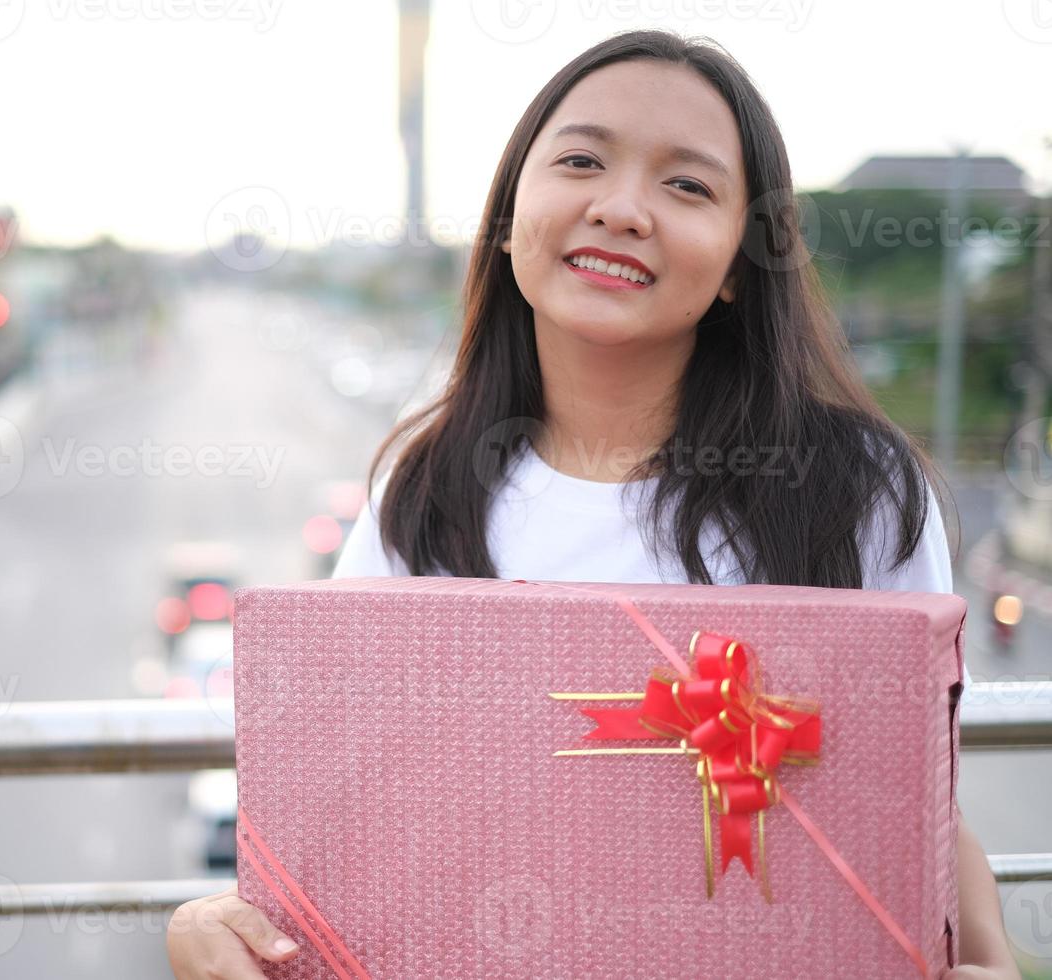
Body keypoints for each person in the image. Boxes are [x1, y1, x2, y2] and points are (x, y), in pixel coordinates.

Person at [166, 28, 1017, 979]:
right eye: (580, 161)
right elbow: (356, 812)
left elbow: (915, 807)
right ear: (506, 214)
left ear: (741, 260)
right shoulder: (425, 485)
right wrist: (214, 923)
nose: (620, 209)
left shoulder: (856, 490)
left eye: (687, 186)